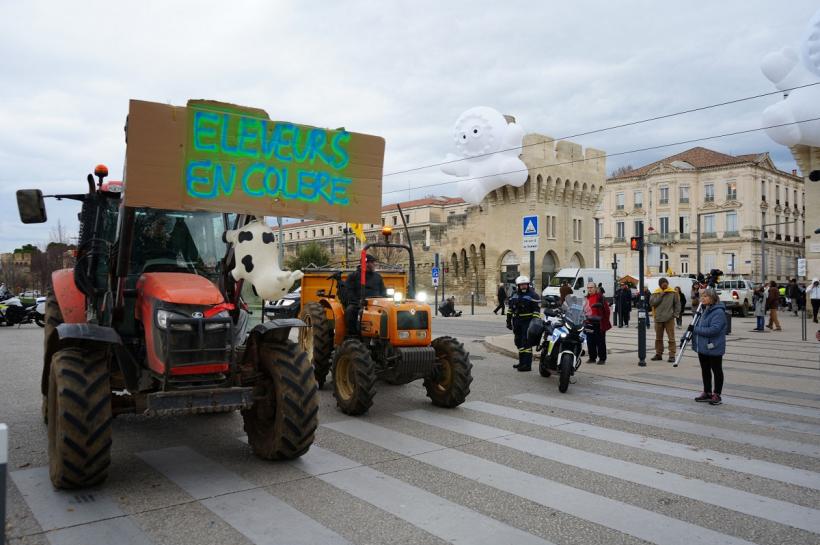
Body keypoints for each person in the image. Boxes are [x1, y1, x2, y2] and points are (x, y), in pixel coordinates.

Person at [691, 288, 728, 406]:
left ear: (712, 298)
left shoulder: (719, 312)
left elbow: (714, 330)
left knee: (716, 370)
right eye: (702, 296)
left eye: (705, 296)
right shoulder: (705, 310)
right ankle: (707, 392)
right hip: (703, 347)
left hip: (714, 347)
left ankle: (717, 394)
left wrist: (695, 329)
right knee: (705, 370)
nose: (703, 298)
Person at [342, 254, 386, 335]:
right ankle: (353, 334)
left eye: (374, 262)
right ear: (365, 263)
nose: (374, 264)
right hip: (359, 303)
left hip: (376, 304)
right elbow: (348, 291)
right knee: (350, 310)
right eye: (372, 262)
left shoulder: (378, 277)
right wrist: (357, 301)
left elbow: (383, 292)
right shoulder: (353, 276)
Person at [507, 275, 540, 372]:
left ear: (528, 284)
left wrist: (534, 323)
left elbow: (536, 310)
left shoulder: (533, 295)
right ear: (518, 285)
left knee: (526, 342)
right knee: (518, 342)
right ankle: (521, 363)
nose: (523, 286)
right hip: (517, 321)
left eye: (525, 284)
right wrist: (508, 321)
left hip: (527, 321)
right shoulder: (514, 295)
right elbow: (509, 309)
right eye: (521, 285)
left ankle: (527, 365)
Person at [649, 277, 681, 362]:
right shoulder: (656, 293)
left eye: (666, 283)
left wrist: (675, 315)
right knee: (658, 338)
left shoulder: (673, 293)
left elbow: (677, 304)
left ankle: (672, 355)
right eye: (663, 284)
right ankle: (658, 354)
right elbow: (652, 303)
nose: (665, 285)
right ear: (660, 285)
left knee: (671, 338)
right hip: (658, 318)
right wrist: (661, 295)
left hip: (669, 319)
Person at [583, 282, 611, 364]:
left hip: (599, 322)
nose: (590, 289)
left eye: (591, 287)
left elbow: (607, 311)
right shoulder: (586, 298)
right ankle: (592, 358)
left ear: (595, 288)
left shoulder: (600, 297)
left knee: (600, 342)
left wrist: (604, 321)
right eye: (588, 288)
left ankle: (602, 359)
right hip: (588, 322)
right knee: (590, 341)